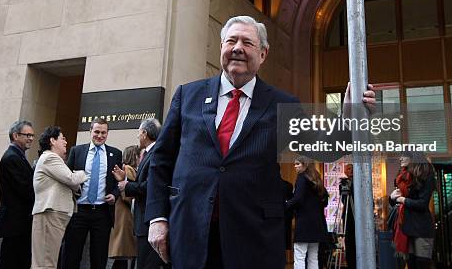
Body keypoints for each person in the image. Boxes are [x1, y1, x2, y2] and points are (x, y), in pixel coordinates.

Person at [145, 15, 375, 269]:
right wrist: (157, 218)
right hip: (190, 234)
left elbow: (325, 147)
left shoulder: (283, 104)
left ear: (263, 54)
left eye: (247, 43)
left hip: (254, 240)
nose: (237, 48)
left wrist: (349, 116)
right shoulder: (188, 95)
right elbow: (162, 159)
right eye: (231, 40)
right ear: (221, 46)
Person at [61, 118, 122, 269]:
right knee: (71, 255)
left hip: (102, 213)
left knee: (99, 257)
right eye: (96, 132)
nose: (100, 135)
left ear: (107, 134)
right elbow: (67, 177)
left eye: (103, 132)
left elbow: (118, 182)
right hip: (78, 211)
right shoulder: (77, 151)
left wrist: (114, 194)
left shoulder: (115, 154)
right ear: (90, 131)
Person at [31, 126, 87, 269]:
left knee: (48, 260)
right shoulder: (50, 157)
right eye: (62, 138)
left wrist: (74, 180)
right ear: (52, 141)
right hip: (49, 213)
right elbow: (72, 179)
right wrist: (83, 174)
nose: (66, 142)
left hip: (53, 214)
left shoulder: (54, 159)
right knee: (45, 262)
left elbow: (73, 185)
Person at [114, 118, 166, 269]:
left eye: (138, 133)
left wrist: (127, 185)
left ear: (144, 133)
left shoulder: (156, 153)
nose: (137, 136)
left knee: (147, 264)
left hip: (148, 220)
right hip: (143, 221)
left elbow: (152, 185)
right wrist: (124, 179)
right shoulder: (149, 153)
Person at [0, 120, 36, 269]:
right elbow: (26, 189)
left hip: (21, 222)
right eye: (27, 135)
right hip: (15, 223)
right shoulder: (12, 157)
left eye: (32, 135)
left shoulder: (19, 156)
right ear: (15, 135)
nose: (31, 138)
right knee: (9, 261)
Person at [390, 153, 436, 269]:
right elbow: (396, 203)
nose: (400, 158)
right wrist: (392, 198)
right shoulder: (403, 176)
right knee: (410, 264)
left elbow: (422, 204)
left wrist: (402, 199)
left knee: (422, 264)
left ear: (412, 158)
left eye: (403, 156)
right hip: (406, 227)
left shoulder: (426, 174)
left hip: (421, 229)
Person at [286, 155, 328, 269]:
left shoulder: (302, 178)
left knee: (299, 255)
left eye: (297, 164)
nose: (295, 166)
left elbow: (298, 199)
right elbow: (325, 202)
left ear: (305, 165)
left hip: (304, 224)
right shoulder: (317, 180)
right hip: (317, 224)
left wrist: (284, 205)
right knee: (313, 257)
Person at [109, 145, 140, 269]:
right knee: (123, 255)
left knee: (123, 257)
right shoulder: (129, 169)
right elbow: (129, 192)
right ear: (135, 156)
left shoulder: (126, 169)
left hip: (121, 216)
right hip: (125, 217)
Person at [339, 164, 355, 269]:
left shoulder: (360, 182)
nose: (351, 170)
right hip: (348, 216)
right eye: (349, 169)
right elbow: (343, 199)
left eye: (353, 168)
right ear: (345, 171)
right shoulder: (343, 184)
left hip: (358, 215)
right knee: (349, 242)